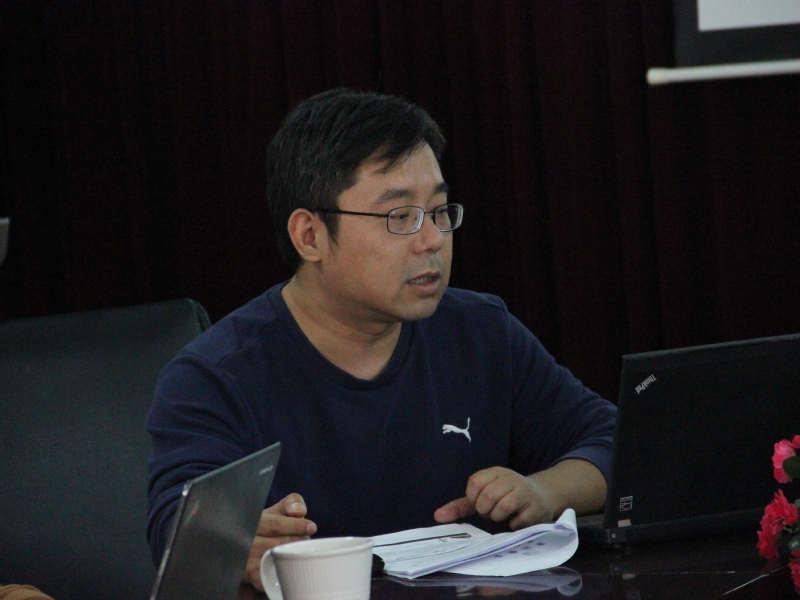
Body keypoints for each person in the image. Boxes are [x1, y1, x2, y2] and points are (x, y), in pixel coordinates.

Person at [146, 88, 616, 590]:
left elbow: (617, 442)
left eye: (439, 211)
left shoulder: (480, 332)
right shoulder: (217, 376)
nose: (432, 239)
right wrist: (235, 544)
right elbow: (177, 536)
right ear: (310, 236)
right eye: (400, 217)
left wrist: (544, 493)